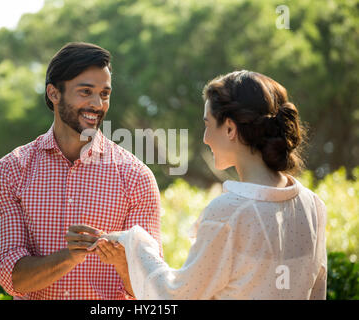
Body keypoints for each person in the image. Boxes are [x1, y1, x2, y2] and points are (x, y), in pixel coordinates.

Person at [96, 70, 327, 299]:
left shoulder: (228, 213)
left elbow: (176, 297)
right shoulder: (313, 206)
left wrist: (136, 242)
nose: (205, 138)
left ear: (229, 128)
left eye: (208, 124)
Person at [0, 42, 162, 300]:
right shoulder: (11, 170)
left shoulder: (136, 177)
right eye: (86, 91)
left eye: (104, 94)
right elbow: (11, 276)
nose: (97, 104)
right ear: (53, 93)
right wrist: (69, 257)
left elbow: (151, 287)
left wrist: (124, 264)